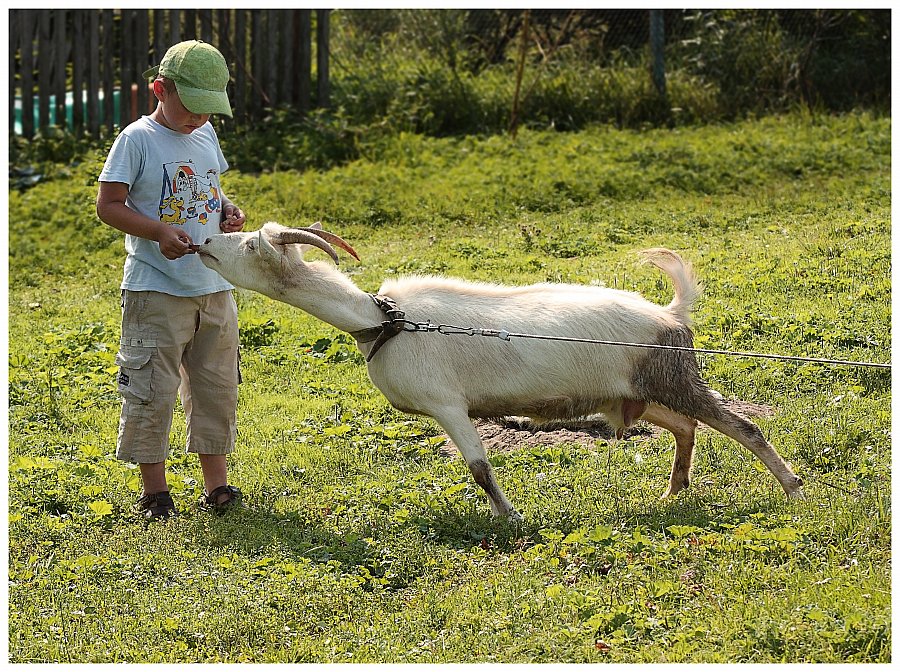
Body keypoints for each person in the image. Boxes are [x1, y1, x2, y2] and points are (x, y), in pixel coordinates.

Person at [96, 40, 245, 520]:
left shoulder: (205, 135)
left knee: (215, 385)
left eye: (208, 110)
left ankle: (217, 485)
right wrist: (158, 230)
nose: (199, 119)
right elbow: (109, 205)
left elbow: (209, 187)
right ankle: (155, 493)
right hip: (156, 288)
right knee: (152, 388)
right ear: (159, 89)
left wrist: (226, 209)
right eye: (191, 107)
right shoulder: (136, 139)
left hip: (213, 285)